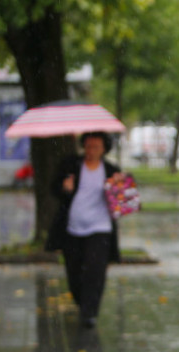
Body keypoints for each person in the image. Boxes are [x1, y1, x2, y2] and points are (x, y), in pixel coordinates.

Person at [46, 131, 122, 328]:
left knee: (95, 270)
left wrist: (116, 190)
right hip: (73, 228)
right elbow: (53, 189)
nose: (91, 151)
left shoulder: (111, 170)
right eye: (88, 146)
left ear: (104, 149)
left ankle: (90, 312)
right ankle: (82, 302)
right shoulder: (71, 166)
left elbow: (122, 203)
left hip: (101, 227)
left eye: (96, 147)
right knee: (74, 272)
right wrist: (65, 188)